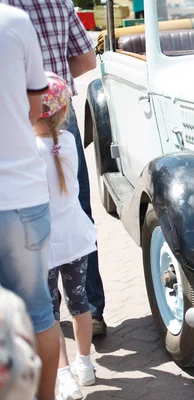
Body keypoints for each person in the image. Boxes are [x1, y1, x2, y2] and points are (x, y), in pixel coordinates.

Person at [6, 0, 108, 337]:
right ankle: (89, 309)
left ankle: (40, 314)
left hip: (19, 121)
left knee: (24, 211)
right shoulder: (59, 2)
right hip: (63, 119)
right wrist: (55, 86)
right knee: (75, 205)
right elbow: (86, 59)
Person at [0, 5, 62, 400]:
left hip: (21, 194)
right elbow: (37, 106)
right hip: (20, 192)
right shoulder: (14, 21)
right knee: (38, 311)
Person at [35, 72, 98, 400]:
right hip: (75, 238)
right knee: (79, 303)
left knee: (48, 312)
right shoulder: (69, 143)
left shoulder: (31, 151)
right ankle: (85, 365)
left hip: (44, 245)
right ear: (63, 113)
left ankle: (63, 375)